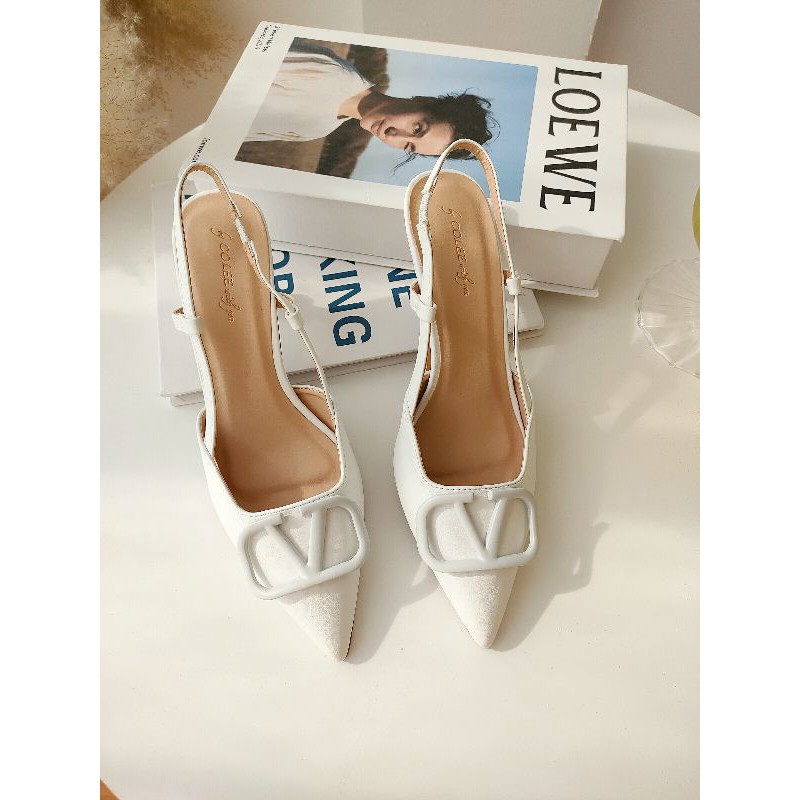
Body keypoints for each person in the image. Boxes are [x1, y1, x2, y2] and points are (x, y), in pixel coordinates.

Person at [245, 40, 495, 159]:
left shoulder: (320, 128)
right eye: (417, 128)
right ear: (421, 100)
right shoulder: (331, 74)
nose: (394, 136)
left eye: (408, 146)